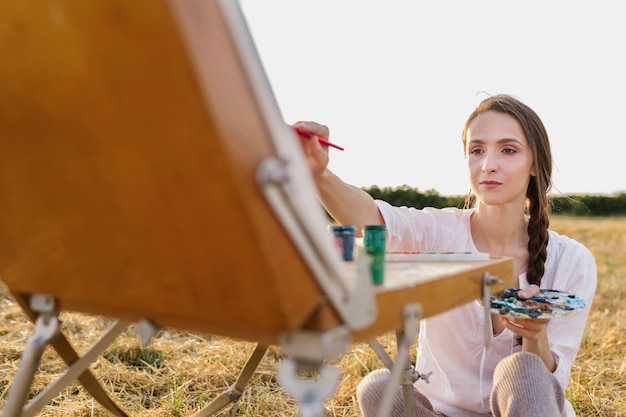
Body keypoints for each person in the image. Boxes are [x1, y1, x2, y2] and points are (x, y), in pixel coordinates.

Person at [293, 94, 597, 417]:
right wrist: (318, 174)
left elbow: (550, 384)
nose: (488, 164)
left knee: (521, 368)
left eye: (508, 150)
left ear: (535, 164)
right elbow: (369, 220)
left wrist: (535, 335)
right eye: (477, 150)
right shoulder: (437, 231)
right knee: (379, 387)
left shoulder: (573, 262)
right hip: (440, 411)